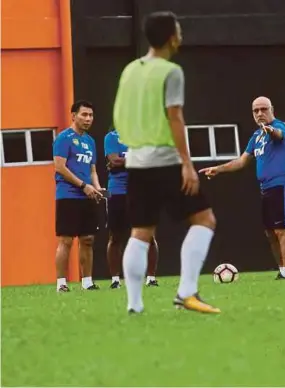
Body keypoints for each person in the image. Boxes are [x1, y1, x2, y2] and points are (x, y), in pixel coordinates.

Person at [113, 11, 220, 314]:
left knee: (140, 231)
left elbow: (120, 114)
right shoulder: (171, 72)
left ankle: (134, 305)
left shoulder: (130, 70)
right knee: (204, 219)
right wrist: (186, 163)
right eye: (179, 30)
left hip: (136, 161)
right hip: (164, 160)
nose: (181, 35)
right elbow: (175, 117)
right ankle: (186, 292)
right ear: (172, 37)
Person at [199, 97, 285, 280]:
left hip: (281, 184)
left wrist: (270, 130)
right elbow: (242, 161)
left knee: (282, 229)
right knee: (270, 232)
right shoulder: (256, 137)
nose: (260, 113)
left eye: (263, 109)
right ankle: (282, 269)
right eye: (255, 111)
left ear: (271, 109)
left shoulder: (279, 126)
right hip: (265, 187)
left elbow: (278, 135)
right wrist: (218, 169)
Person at [53, 100, 103, 292]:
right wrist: (83, 186)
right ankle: (61, 283)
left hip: (87, 195)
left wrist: (96, 187)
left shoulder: (90, 141)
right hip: (68, 194)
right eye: (84, 115)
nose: (88, 119)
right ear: (73, 116)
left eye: (90, 115)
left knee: (88, 238)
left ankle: (87, 282)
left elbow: (92, 170)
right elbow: (59, 167)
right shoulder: (64, 138)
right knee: (66, 240)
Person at [104, 128, 159, 289]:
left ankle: (151, 278)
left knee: (148, 237)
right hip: (117, 191)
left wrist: (125, 160)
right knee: (116, 237)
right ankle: (115, 279)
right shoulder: (112, 137)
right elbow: (114, 161)